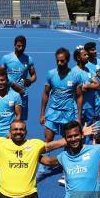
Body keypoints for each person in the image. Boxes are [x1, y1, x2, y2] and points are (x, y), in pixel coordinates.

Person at [38, 47, 83, 175]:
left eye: (62, 61)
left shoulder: (75, 76)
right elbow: (46, 93)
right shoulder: (51, 74)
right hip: (52, 113)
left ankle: (66, 166)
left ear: (67, 60)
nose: (59, 63)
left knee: (68, 141)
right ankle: (41, 166)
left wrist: (78, 117)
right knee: (48, 140)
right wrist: (42, 113)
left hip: (68, 114)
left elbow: (79, 96)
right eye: (57, 61)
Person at [0, 35, 36, 120]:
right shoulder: (6, 58)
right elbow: (1, 75)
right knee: (7, 118)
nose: (21, 48)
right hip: (9, 94)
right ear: (14, 45)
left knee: (21, 121)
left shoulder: (29, 59)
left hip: (22, 94)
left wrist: (30, 81)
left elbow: (34, 75)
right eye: (18, 46)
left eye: (23, 46)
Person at [73, 46, 100, 129]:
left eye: (87, 55)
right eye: (84, 55)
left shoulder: (88, 70)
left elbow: (98, 85)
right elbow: (76, 89)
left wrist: (87, 85)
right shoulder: (73, 72)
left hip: (90, 106)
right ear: (78, 58)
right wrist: (88, 86)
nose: (87, 56)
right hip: (78, 107)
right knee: (77, 129)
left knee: (90, 129)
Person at [84, 42, 100, 122]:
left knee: (96, 117)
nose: (95, 51)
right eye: (92, 50)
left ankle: (95, 134)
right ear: (86, 52)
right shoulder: (84, 63)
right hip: (86, 94)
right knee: (86, 118)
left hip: (98, 94)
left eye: (95, 49)